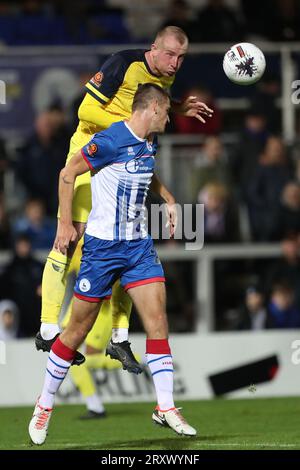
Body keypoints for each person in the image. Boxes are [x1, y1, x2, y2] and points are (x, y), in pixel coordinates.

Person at [36, 25, 213, 369]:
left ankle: (119, 337)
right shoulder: (124, 63)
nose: (176, 64)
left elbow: (150, 104)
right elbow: (85, 112)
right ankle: (47, 328)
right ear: (154, 48)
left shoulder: (164, 78)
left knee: (127, 241)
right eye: (170, 55)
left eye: (181, 57)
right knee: (70, 234)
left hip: (124, 161)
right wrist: (129, 125)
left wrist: (176, 108)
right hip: (92, 151)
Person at [29, 83, 197, 445]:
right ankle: (44, 404)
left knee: (158, 321)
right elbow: (67, 173)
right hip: (102, 249)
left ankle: (165, 407)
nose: (170, 118)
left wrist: (168, 198)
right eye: (167, 111)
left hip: (138, 247)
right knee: (76, 332)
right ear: (152, 108)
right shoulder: (108, 141)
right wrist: (64, 222)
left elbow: (145, 172)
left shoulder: (150, 141)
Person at [61, 239, 141, 418]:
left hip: (103, 310)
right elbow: (68, 267)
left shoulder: (109, 242)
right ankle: (95, 403)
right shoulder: (81, 243)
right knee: (64, 348)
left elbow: (117, 279)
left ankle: (95, 404)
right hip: (80, 302)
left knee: (80, 359)